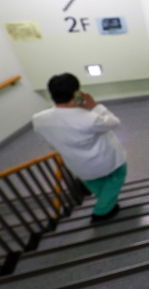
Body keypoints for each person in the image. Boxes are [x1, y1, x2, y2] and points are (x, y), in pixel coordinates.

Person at [32, 73, 127, 223]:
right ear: (76, 93)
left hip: (77, 165)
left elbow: (50, 142)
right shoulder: (89, 118)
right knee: (117, 176)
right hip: (105, 161)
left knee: (97, 184)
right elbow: (114, 122)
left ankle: (107, 201)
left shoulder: (38, 119)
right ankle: (102, 211)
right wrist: (94, 106)